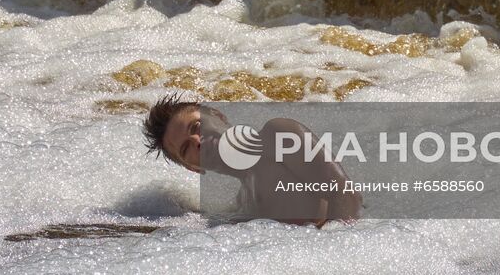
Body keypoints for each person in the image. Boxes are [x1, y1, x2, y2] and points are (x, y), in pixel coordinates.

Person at [142, 93, 362, 226]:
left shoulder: (277, 136)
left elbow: (344, 193)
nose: (197, 141)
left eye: (197, 127)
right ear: (194, 169)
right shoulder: (243, 203)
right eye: (187, 148)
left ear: (217, 114)